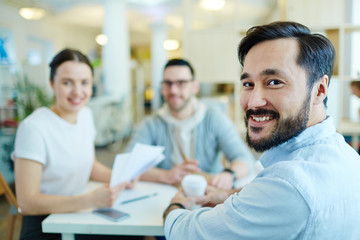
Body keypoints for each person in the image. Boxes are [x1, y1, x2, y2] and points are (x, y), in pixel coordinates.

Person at [163, 21, 360, 239]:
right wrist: (234, 196)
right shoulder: (347, 155)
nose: (253, 102)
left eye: (274, 82)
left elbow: (186, 232)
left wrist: (176, 205)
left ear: (319, 89)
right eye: (248, 84)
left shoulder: (289, 184)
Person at [12, 49, 139, 240]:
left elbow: (88, 164)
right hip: (45, 224)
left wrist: (119, 178)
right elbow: (27, 202)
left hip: (77, 212)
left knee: (135, 233)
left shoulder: (85, 115)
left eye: (84, 83)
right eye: (67, 82)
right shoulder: (33, 128)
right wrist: (88, 200)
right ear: (52, 83)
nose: (77, 92)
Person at [127, 58, 255, 190]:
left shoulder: (214, 119)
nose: (173, 90)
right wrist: (167, 176)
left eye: (181, 83)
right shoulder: (150, 124)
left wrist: (229, 175)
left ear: (195, 87)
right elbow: (129, 164)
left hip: (209, 193)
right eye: (168, 83)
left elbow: (245, 159)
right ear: (162, 88)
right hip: (166, 195)